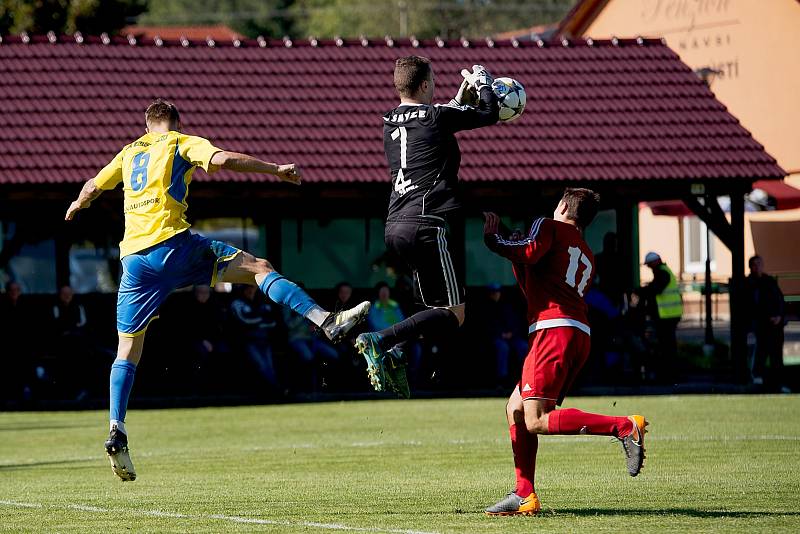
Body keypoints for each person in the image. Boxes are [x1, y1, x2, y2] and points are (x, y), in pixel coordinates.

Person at [64, 99, 370, 482]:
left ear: (146, 127)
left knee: (128, 349)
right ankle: (325, 320)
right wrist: (274, 169)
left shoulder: (128, 153)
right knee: (258, 268)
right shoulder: (179, 142)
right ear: (175, 123)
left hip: (134, 263)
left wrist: (77, 204)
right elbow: (223, 160)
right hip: (173, 247)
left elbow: (94, 185)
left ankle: (116, 428)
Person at [482, 188, 648, 516]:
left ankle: (625, 427)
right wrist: (516, 252)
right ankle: (524, 493)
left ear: (561, 205)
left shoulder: (548, 225)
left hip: (552, 331)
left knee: (536, 419)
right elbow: (534, 280)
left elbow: (527, 250)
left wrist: (494, 238)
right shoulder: (585, 250)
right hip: (575, 332)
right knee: (515, 409)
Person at [355, 56, 500, 398]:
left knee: (432, 310)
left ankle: (395, 353)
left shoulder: (390, 121)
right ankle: (382, 340)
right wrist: (483, 85)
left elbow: (427, 129)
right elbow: (490, 113)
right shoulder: (437, 115)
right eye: (432, 81)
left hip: (394, 227)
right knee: (455, 314)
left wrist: (455, 101)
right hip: (426, 226)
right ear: (423, 85)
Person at [745, 255, 789, 391]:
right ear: (751, 267)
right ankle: (758, 382)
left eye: (760, 263)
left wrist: (779, 317)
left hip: (776, 325)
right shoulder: (749, 284)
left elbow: (780, 300)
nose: (759, 266)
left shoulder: (770, 281)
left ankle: (778, 383)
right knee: (760, 353)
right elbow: (751, 306)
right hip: (761, 326)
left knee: (776, 355)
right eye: (755, 264)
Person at [635, 251, 683, 375]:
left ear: (655, 262)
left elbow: (655, 290)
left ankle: (670, 372)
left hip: (668, 316)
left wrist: (641, 291)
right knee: (668, 345)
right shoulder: (663, 272)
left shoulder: (662, 273)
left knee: (667, 345)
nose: (649, 267)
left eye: (649, 264)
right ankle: (670, 371)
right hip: (668, 315)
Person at [230, 285, 281, 392]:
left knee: (269, 365)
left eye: (253, 287)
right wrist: (261, 319)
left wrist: (259, 319)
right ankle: (276, 390)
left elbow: (273, 321)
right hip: (248, 341)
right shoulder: (237, 302)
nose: (251, 290)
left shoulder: (261, 301)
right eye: (248, 287)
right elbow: (244, 321)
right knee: (261, 364)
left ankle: (274, 391)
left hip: (264, 339)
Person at [483, 283, 529, 387]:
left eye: (497, 292)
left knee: (524, 346)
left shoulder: (507, 306)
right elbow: (488, 326)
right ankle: (502, 379)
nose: (496, 294)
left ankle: (525, 377)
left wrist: (512, 333)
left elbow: (516, 322)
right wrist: (500, 334)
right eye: (494, 293)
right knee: (503, 348)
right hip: (496, 337)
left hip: (512, 336)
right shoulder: (486, 308)